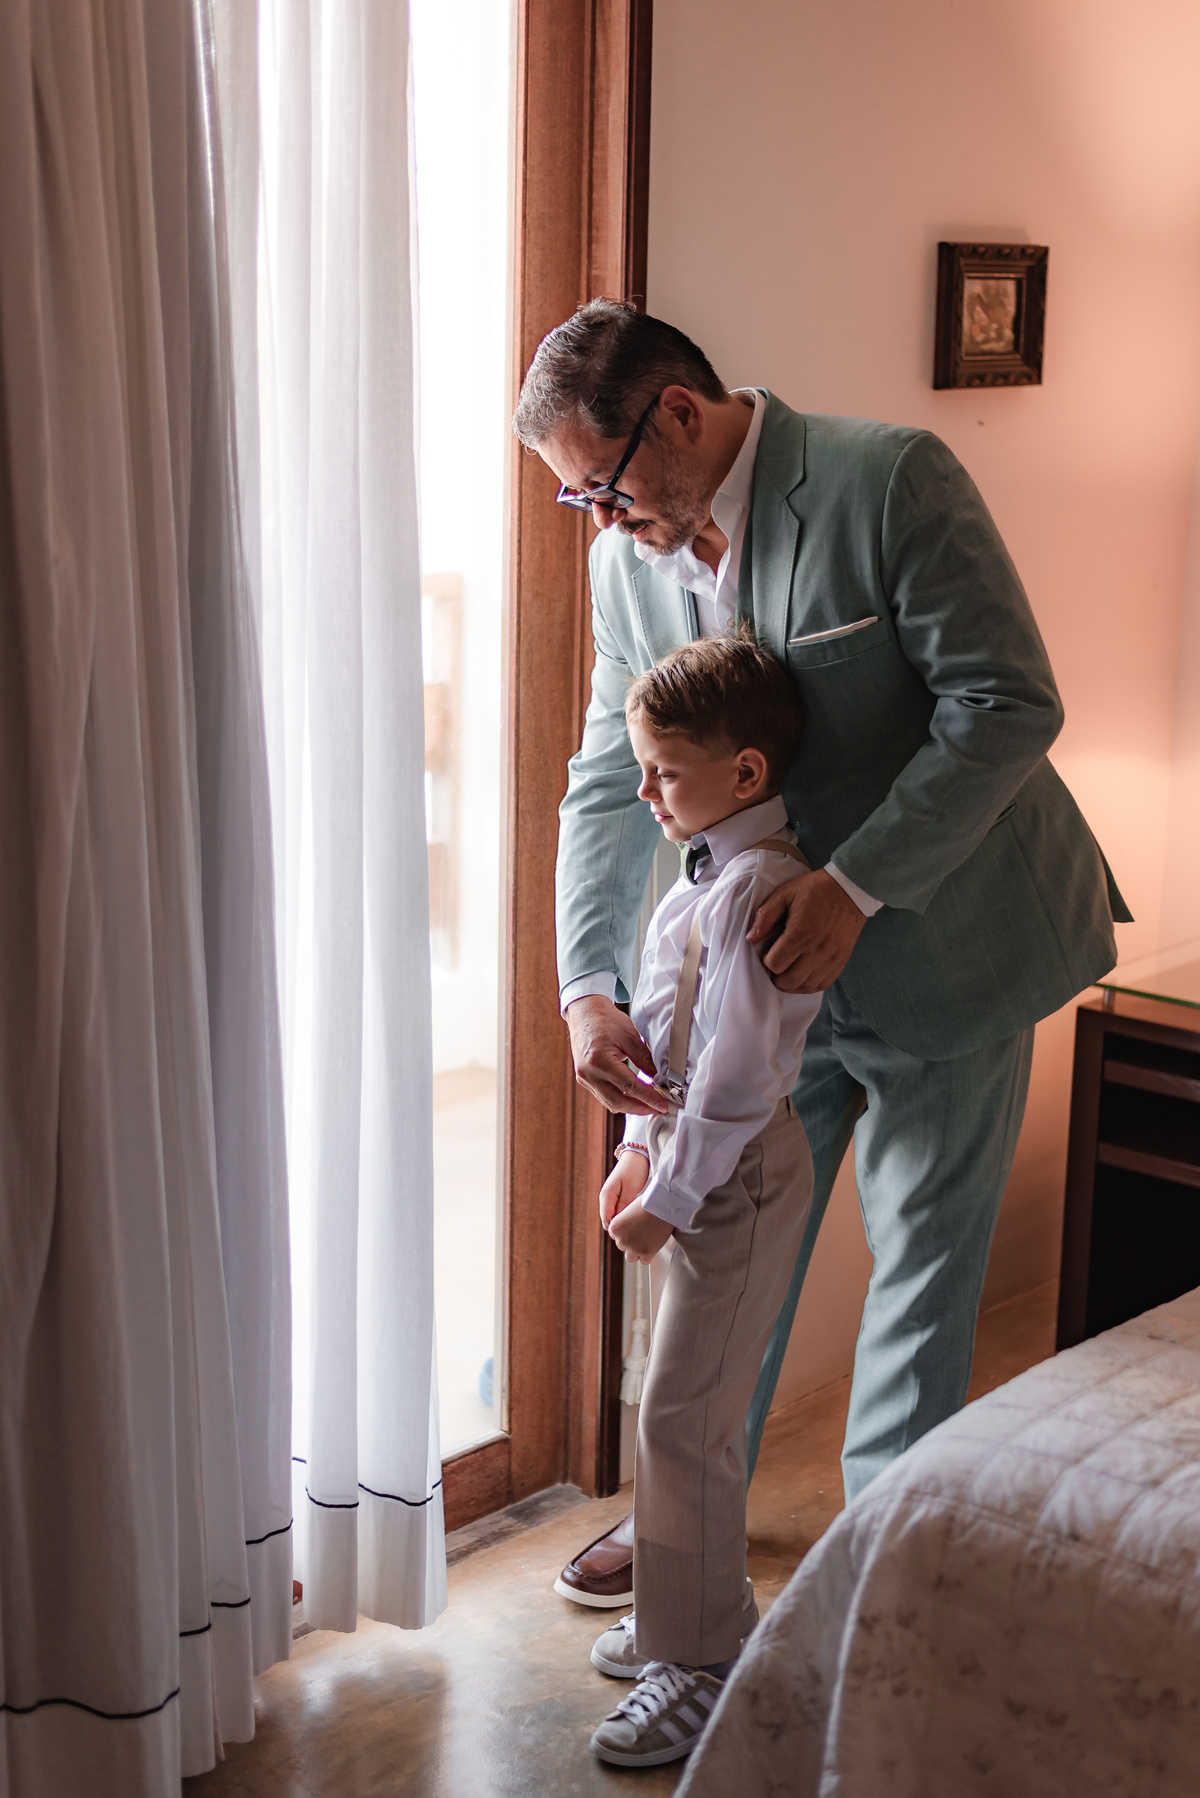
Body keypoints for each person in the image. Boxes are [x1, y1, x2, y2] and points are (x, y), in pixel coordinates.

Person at [512, 300, 1128, 1612]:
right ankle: (690, 1519)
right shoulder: (627, 566)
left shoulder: (885, 477)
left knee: (918, 1271)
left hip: (944, 943)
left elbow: (1008, 701)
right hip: (753, 994)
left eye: (605, 490)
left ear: (678, 411)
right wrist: (586, 985)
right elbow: (608, 777)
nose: (604, 524)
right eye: (580, 505)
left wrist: (853, 888)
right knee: (731, 1268)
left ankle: (870, 1566)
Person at [588, 631, 820, 1769]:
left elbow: (737, 1078)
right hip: (684, 1165)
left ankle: (706, 1659)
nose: (644, 792)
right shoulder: (693, 880)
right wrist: (636, 1147)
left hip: (739, 1175)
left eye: (665, 771)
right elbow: (664, 1037)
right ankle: (692, 1605)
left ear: (746, 773)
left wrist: (673, 1195)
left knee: (684, 1415)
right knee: (670, 1405)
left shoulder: (766, 894)